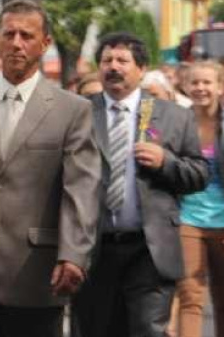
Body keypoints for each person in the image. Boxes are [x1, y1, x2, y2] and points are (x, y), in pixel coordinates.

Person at [0, 0, 101, 337]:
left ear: (45, 43)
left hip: (35, 272)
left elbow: (82, 188)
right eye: (9, 34)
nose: (16, 43)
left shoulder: (71, 110)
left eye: (27, 36)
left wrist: (74, 254)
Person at [70, 32, 208, 337]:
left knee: (148, 330)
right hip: (94, 249)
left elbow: (199, 174)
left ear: (142, 69)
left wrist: (166, 162)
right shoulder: (78, 112)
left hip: (149, 249)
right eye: (107, 61)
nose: (113, 67)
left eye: (122, 60)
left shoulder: (174, 116)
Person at [173, 61, 224, 337]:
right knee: (190, 294)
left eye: (207, 82)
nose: (200, 88)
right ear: (185, 86)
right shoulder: (176, 121)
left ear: (220, 87)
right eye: (194, 82)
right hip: (186, 218)